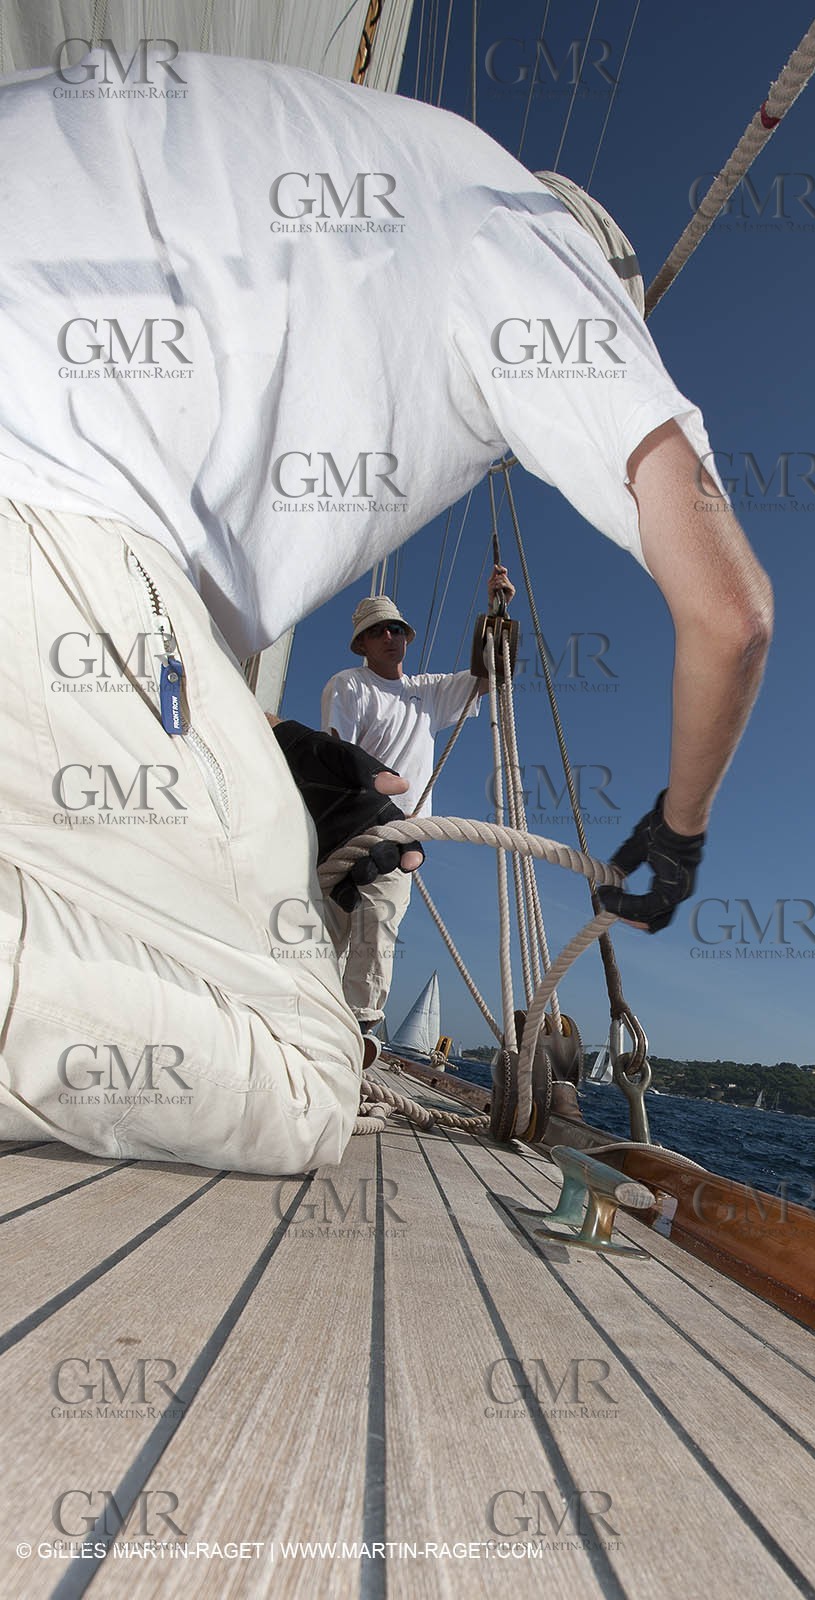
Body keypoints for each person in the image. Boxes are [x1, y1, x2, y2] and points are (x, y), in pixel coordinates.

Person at [0, 50, 772, 1174]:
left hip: (58, 525)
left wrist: (488, 624)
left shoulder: (354, 146)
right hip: (56, 508)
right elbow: (731, 610)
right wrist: (679, 831)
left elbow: (471, 681)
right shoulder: (541, 246)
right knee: (298, 1066)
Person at [321, 568, 515, 1033]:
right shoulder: (348, 685)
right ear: (362, 644)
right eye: (376, 631)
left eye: (395, 629)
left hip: (400, 837)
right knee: (326, 933)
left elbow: (490, 674)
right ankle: (311, 1021)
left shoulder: (426, 692)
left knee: (378, 929)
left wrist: (496, 613)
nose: (388, 636)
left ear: (406, 638)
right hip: (349, 829)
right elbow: (335, 760)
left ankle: (360, 1030)